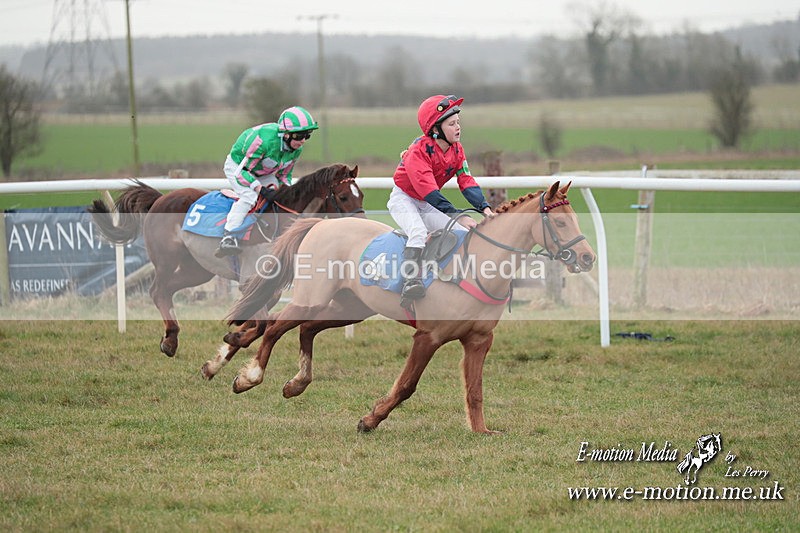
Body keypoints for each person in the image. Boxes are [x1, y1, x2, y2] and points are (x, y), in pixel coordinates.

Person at [388, 94, 495, 300]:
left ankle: (450, 276)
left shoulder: (457, 149)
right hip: (404, 199)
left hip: (426, 202)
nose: (458, 128)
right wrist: (458, 214)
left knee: (461, 231)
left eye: (458, 122)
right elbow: (429, 191)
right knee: (418, 231)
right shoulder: (418, 152)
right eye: (452, 124)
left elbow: (466, 181)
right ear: (436, 130)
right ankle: (410, 282)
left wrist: (485, 208)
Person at [215, 106, 318, 257]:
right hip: (238, 168)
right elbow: (242, 173)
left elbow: (284, 176)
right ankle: (229, 236)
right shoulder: (263, 141)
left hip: (264, 171)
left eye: (307, 136)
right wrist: (260, 189)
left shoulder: (297, 149)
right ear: (286, 135)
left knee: (280, 197)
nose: (302, 141)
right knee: (249, 197)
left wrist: (288, 192)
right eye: (299, 135)